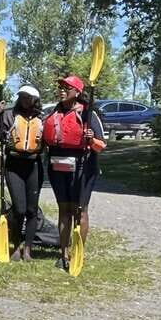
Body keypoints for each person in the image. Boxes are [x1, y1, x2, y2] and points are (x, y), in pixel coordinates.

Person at [43, 75, 105, 271]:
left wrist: (91, 138)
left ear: (77, 92)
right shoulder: (55, 111)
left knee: (80, 210)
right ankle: (63, 254)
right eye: (60, 86)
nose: (61, 90)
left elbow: (101, 145)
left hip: (83, 167)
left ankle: (78, 252)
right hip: (58, 165)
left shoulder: (88, 114)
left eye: (66, 87)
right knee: (64, 210)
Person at [0, 85, 44, 262]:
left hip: (34, 165)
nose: (24, 99)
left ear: (35, 99)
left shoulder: (42, 118)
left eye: (28, 97)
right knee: (19, 209)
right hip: (13, 165)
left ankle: (27, 249)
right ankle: (16, 245)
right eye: (22, 96)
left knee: (32, 210)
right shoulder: (8, 114)